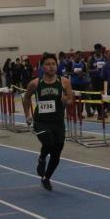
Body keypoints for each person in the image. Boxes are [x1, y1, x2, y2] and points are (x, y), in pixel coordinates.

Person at [22, 53, 74, 191]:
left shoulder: (64, 82)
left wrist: (66, 100)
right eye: (47, 64)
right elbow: (26, 98)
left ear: (57, 66)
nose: (51, 67)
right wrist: (27, 115)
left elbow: (71, 99)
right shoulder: (35, 83)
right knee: (49, 142)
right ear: (42, 67)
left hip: (58, 122)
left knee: (57, 153)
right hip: (41, 121)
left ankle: (46, 178)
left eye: (53, 64)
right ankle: (42, 158)